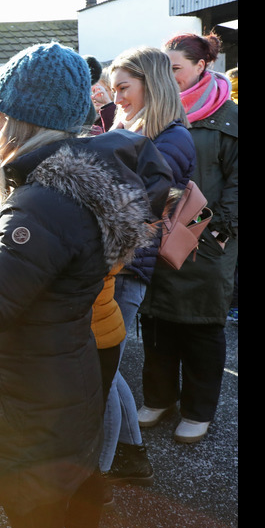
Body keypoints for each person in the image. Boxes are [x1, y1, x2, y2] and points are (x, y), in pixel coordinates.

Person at [0, 42, 164, 528]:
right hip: (60, 383)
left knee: (38, 524)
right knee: (65, 506)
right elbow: (42, 281)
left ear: (17, 118)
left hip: (28, 401)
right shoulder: (78, 183)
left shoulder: (39, 202)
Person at [100, 46, 197, 483]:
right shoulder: (141, 130)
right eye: (114, 88)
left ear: (150, 85)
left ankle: (102, 471)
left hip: (127, 267)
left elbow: (136, 205)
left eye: (124, 87)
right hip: (119, 264)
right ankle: (131, 456)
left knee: (98, 368)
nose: (116, 97)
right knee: (105, 365)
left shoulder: (171, 138)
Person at [138, 32, 238, 444]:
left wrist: (218, 230)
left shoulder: (228, 117)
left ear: (203, 66)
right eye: (165, 68)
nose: (169, 75)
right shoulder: (156, 113)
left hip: (208, 243)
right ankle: (159, 398)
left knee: (200, 326)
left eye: (175, 67)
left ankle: (198, 409)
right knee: (157, 320)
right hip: (156, 236)